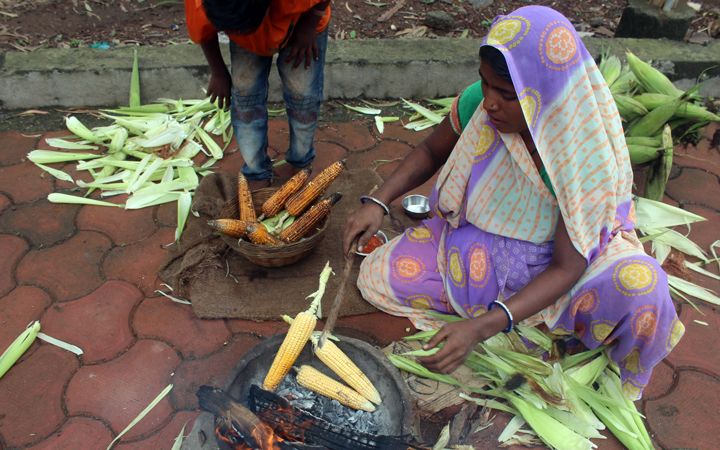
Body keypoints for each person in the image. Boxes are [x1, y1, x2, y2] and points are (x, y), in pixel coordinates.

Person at [343, 5, 684, 400]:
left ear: (547, 91)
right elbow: (429, 152)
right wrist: (379, 201)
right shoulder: (480, 104)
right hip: (481, 250)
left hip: (564, 268)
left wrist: (483, 326)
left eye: (506, 94)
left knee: (643, 290)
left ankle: (519, 322)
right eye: (484, 85)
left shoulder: (581, 150)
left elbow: (567, 265)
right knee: (377, 278)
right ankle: (532, 329)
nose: (489, 103)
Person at [184, 0, 331, 187]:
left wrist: (308, 27)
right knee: (245, 98)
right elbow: (202, 27)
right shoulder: (203, 3)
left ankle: (302, 162)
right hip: (245, 35)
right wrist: (218, 71)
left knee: (303, 96)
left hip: (302, 21)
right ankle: (255, 172)